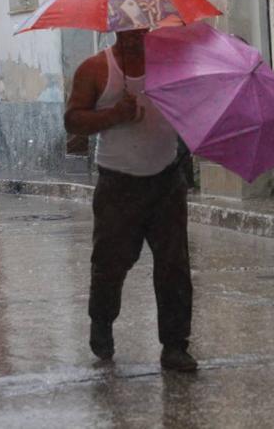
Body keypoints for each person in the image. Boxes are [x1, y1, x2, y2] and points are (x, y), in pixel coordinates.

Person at [64, 28, 197, 372]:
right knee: (111, 263)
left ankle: (174, 345)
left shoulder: (171, 66)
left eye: (139, 29)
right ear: (115, 29)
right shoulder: (96, 69)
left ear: (148, 29)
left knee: (174, 266)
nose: (133, 37)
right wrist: (114, 115)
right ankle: (102, 320)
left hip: (166, 180)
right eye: (125, 30)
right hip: (117, 184)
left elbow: (190, 105)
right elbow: (73, 119)